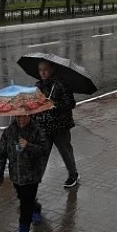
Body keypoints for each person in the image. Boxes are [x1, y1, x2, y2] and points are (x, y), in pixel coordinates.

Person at [0, 114, 50, 232]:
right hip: (16, 175)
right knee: (24, 199)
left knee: (25, 205)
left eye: (24, 116)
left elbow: (44, 150)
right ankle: (35, 208)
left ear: (29, 115)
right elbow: (1, 153)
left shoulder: (37, 129)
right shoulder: (10, 131)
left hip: (32, 176)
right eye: (18, 117)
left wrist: (28, 146)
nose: (21, 120)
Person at [31, 60, 80, 188]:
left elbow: (71, 103)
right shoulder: (38, 86)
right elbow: (35, 106)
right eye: (40, 70)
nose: (42, 72)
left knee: (65, 150)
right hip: (44, 127)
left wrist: (54, 106)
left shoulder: (61, 84)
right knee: (43, 154)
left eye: (45, 69)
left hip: (60, 126)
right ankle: (35, 182)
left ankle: (73, 174)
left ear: (52, 69)